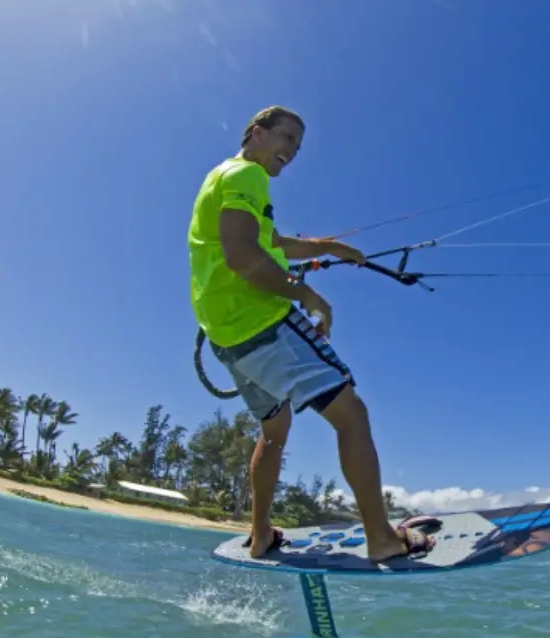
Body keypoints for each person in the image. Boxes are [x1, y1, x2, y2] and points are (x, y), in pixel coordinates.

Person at [187, 106, 437, 562]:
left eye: (298, 147)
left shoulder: (222, 179)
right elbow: (244, 257)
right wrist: (308, 296)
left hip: (227, 336)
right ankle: (381, 538)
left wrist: (334, 247)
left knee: (274, 430)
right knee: (352, 414)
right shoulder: (247, 176)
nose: (291, 151)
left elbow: (274, 243)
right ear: (256, 133)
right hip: (262, 319)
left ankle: (260, 534)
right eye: (285, 138)